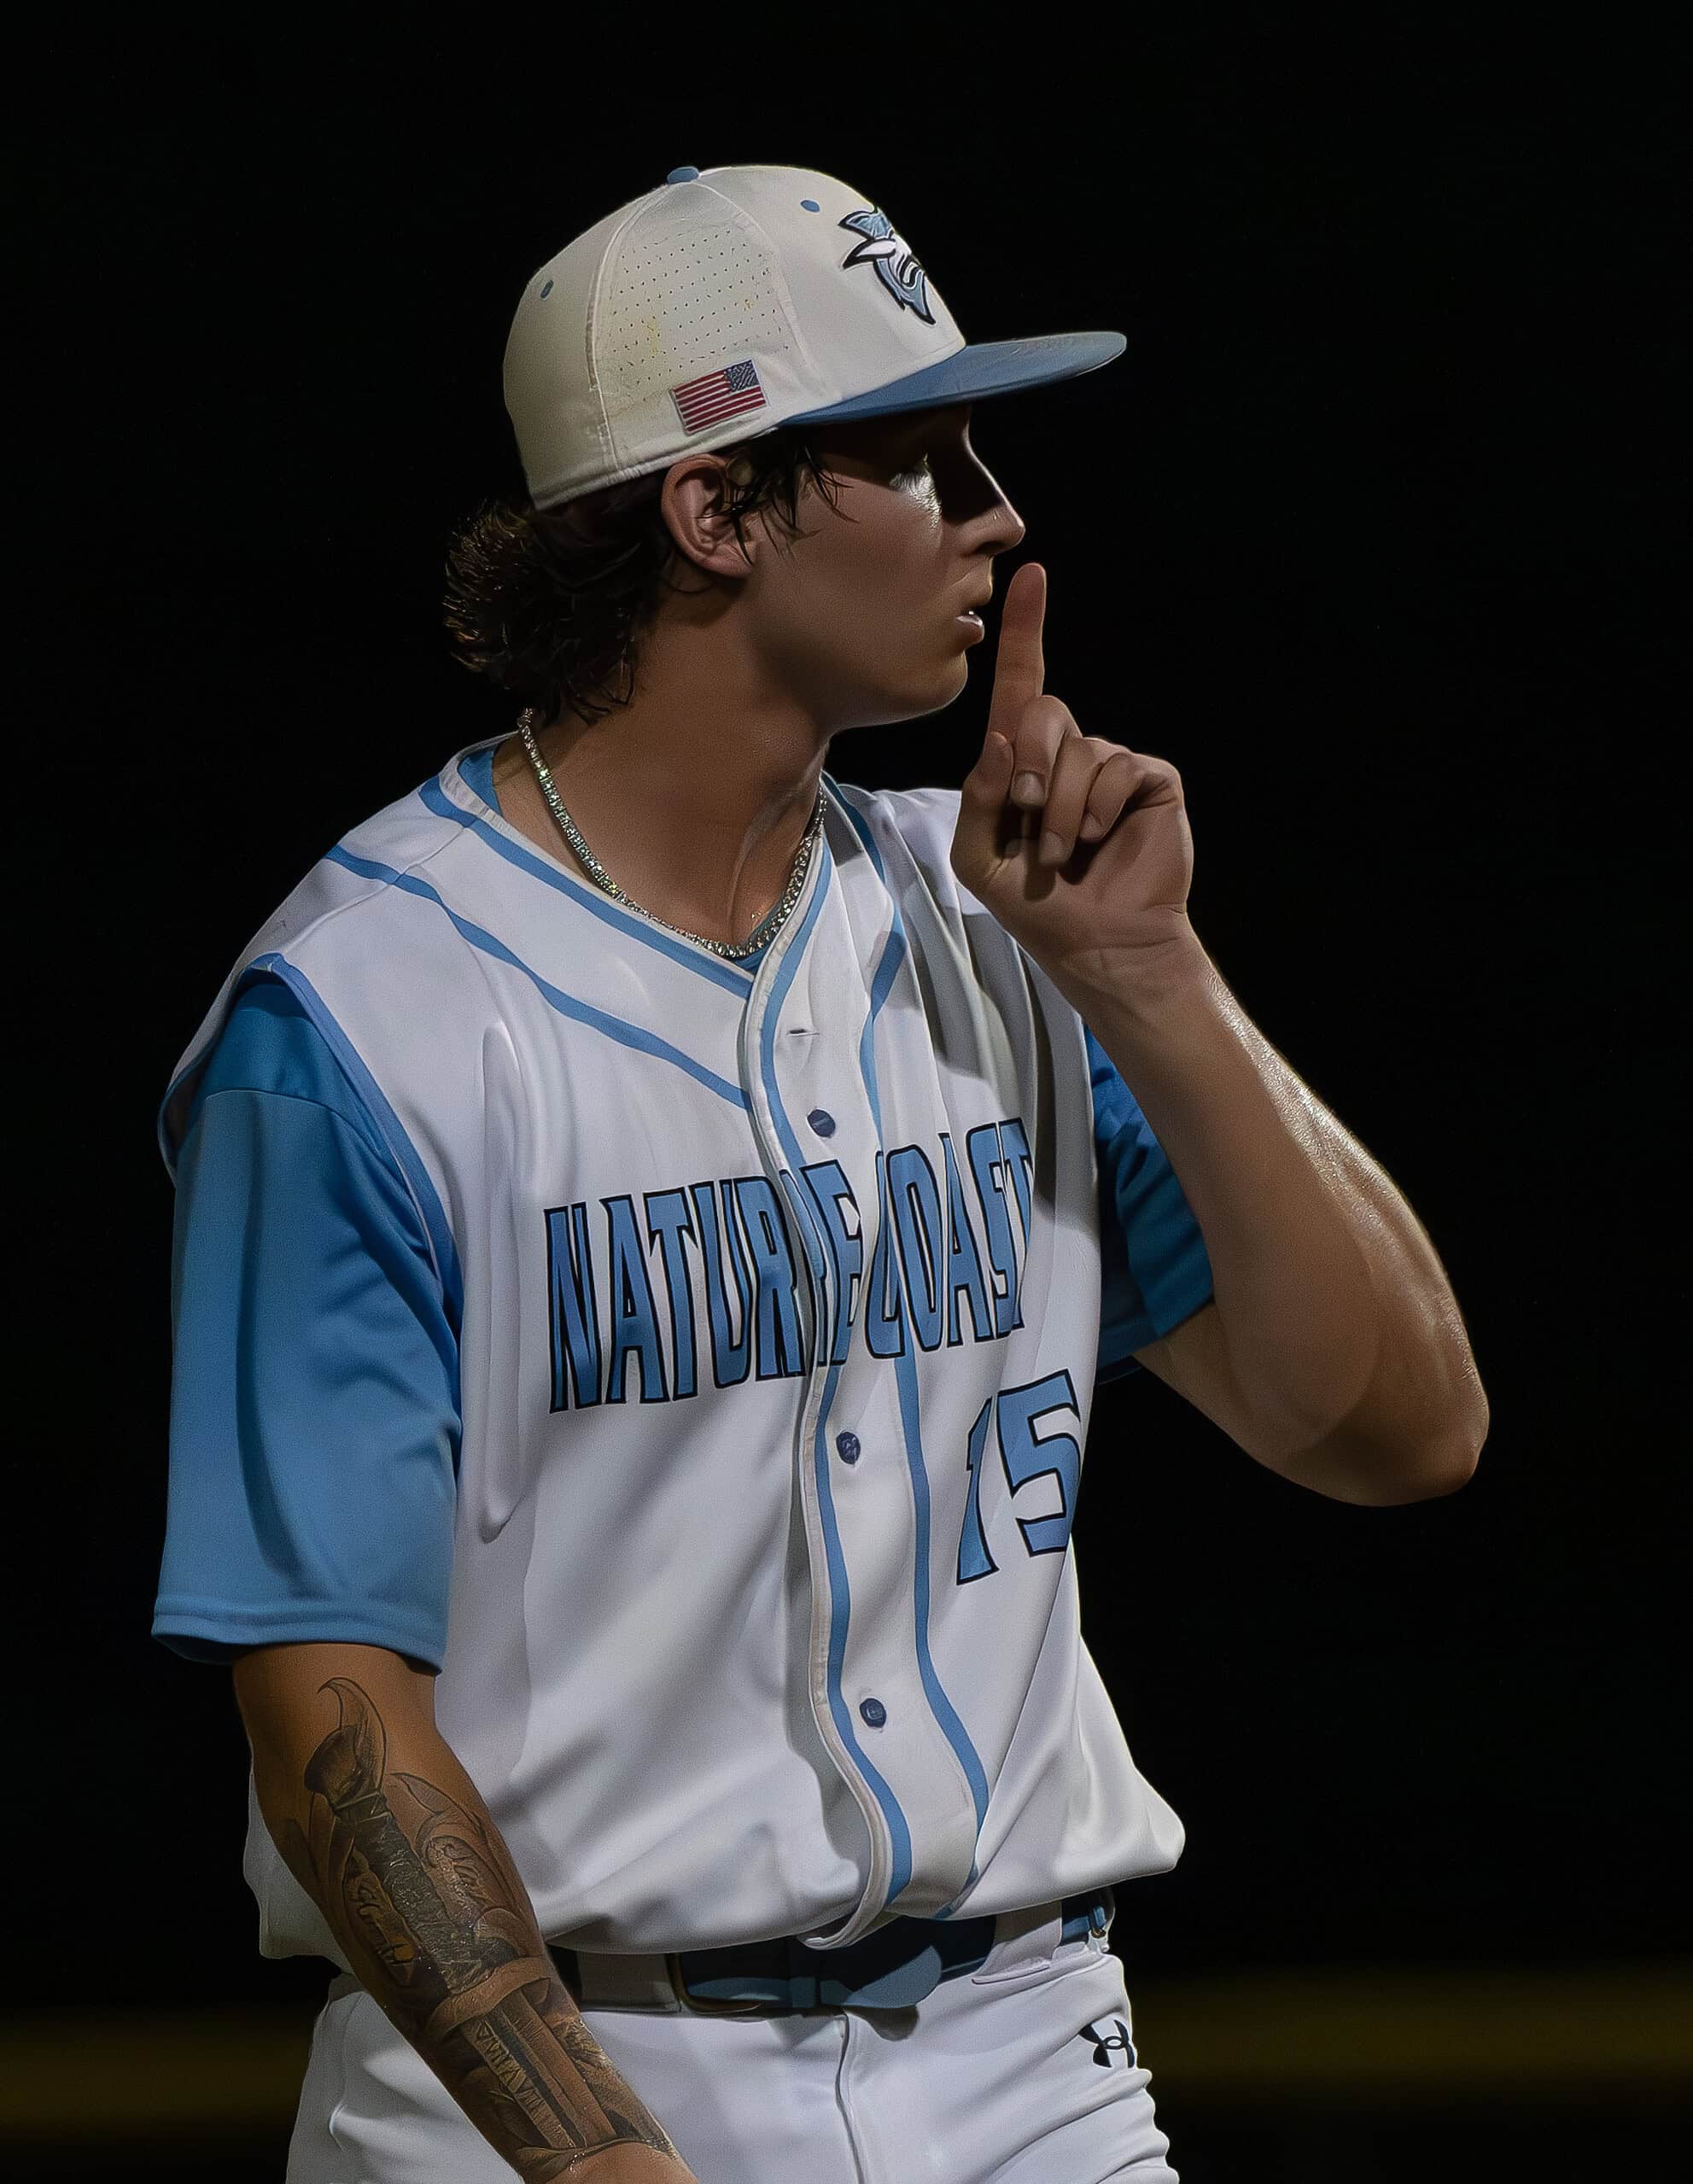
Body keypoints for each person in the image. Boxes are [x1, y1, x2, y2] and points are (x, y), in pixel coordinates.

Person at [153, 162, 1485, 2183]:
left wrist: (1151, 977)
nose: (996, 511)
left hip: (1032, 2053)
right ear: (714, 509)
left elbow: (1397, 1433)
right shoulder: (364, 1019)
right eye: (921, 455)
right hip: (549, 2079)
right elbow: (330, 1696)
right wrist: (594, 2158)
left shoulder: (996, 929)